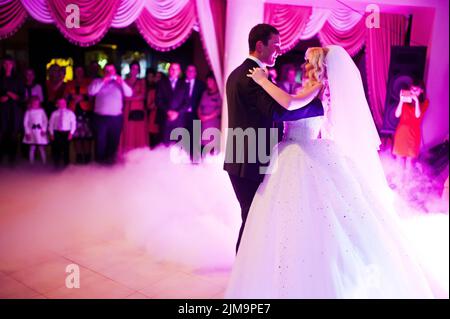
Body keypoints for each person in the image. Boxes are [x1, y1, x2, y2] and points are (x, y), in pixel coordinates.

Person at [225, 45, 435, 298]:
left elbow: (288, 105)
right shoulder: (312, 90)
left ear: (318, 66)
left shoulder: (316, 90)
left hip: (301, 154)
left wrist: (263, 81)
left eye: (307, 62)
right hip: (291, 153)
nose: (303, 66)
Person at [223, 24, 324, 253]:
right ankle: (243, 277)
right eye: (276, 45)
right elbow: (278, 111)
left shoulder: (238, 73)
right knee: (252, 222)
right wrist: (314, 106)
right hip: (250, 162)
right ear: (260, 45)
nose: (280, 51)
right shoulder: (251, 77)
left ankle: (247, 273)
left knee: (253, 220)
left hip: (243, 159)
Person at [88, 63, 132, 164]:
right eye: (106, 71)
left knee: (113, 143)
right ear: (103, 72)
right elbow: (91, 92)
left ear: (115, 72)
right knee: (100, 144)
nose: (109, 73)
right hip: (100, 119)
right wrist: (103, 81)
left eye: (111, 70)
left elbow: (129, 93)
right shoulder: (97, 81)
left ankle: (110, 168)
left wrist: (122, 83)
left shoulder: (120, 83)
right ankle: (99, 168)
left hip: (116, 119)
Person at [392, 79, 429, 171]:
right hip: (401, 132)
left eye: (416, 90)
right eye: (412, 89)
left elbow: (417, 115)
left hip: (414, 134)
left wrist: (416, 102)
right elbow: (397, 114)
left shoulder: (425, 102)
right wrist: (401, 101)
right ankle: (398, 181)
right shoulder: (405, 99)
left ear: (421, 91)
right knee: (399, 158)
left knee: (409, 160)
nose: (413, 92)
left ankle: (408, 182)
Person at [155, 63, 190, 147]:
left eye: (176, 69)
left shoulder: (185, 84)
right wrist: (168, 111)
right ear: (168, 70)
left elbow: (187, 103)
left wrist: (177, 113)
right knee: (164, 145)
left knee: (178, 146)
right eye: (172, 69)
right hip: (165, 119)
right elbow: (158, 101)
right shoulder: (161, 83)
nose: (174, 71)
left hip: (179, 120)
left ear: (179, 71)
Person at [65, 66, 93, 164]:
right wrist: (73, 97)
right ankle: (79, 156)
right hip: (73, 110)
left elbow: (92, 95)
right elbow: (65, 96)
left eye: (81, 70)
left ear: (83, 71)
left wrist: (82, 97)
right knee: (76, 135)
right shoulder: (70, 83)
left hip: (86, 110)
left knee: (86, 136)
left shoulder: (89, 81)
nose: (79, 72)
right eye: (77, 70)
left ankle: (87, 155)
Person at [0, 55, 24, 166]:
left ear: (13, 65)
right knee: (1, 133)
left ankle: (12, 160)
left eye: (9, 63)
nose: (7, 66)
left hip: (14, 110)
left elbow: (22, 96)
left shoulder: (18, 78)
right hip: (2, 110)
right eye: (5, 63)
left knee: (13, 134)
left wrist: (13, 95)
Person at [119, 61, 148, 153]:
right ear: (130, 69)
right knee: (128, 132)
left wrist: (130, 98)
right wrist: (135, 97)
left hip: (138, 109)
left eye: (137, 69)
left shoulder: (142, 81)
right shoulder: (125, 81)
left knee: (139, 132)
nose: (135, 70)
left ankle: (139, 155)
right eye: (133, 68)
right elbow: (122, 96)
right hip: (127, 110)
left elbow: (143, 96)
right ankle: (127, 154)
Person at [197, 73, 222, 157]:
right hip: (203, 125)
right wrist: (200, 115)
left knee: (211, 149)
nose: (208, 82)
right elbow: (199, 106)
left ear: (215, 82)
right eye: (207, 80)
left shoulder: (219, 94)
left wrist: (207, 117)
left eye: (210, 80)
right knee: (202, 148)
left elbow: (219, 110)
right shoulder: (204, 93)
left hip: (213, 125)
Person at [48, 97, 76, 168]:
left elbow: (73, 123)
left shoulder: (70, 113)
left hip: (66, 133)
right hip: (56, 132)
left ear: (66, 103)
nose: (62, 104)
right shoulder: (54, 113)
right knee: (56, 149)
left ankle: (66, 165)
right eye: (60, 103)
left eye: (63, 103)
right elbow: (51, 123)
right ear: (57, 104)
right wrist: (51, 133)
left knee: (66, 149)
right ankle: (56, 164)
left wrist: (71, 133)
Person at [23, 96, 48, 164]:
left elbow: (45, 121)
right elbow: (25, 123)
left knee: (41, 148)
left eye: (37, 103)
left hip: (40, 132)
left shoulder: (41, 111)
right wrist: (27, 132)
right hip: (32, 132)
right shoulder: (28, 111)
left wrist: (44, 130)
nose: (36, 104)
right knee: (32, 147)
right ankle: (31, 162)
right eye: (34, 103)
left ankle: (44, 162)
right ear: (31, 103)